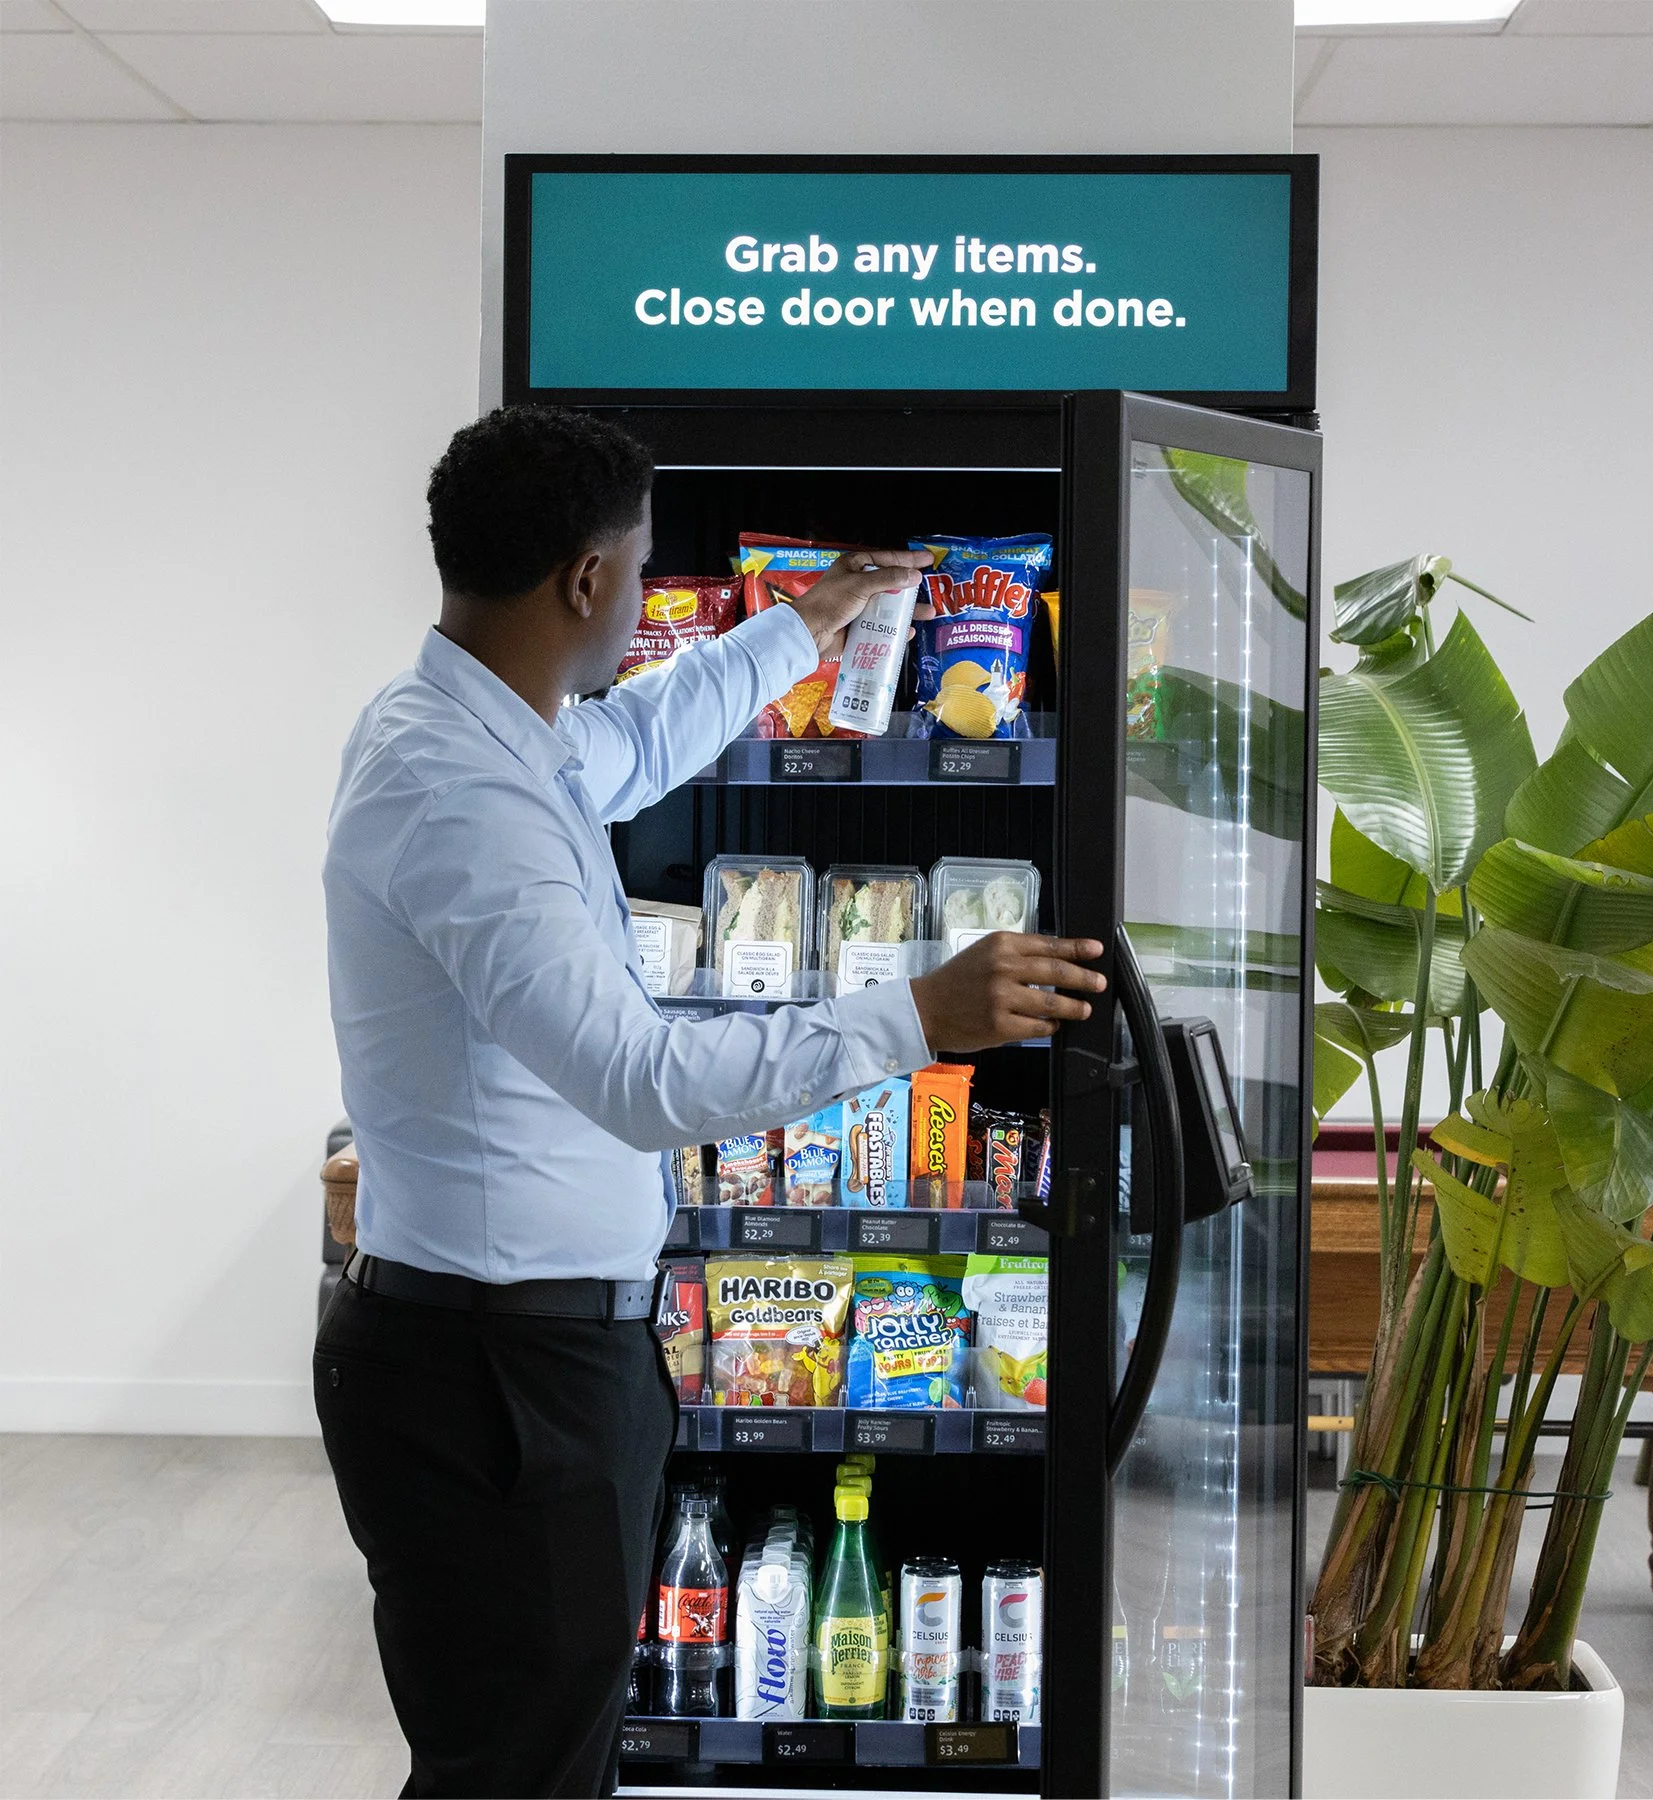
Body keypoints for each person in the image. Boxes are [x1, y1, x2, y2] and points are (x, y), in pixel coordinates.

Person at [315, 406, 1105, 1798]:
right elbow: (643, 1081)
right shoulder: (464, 798)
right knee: (520, 1768)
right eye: (635, 569)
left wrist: (806, 622)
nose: (640, 601)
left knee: (529, 1754)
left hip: (520, 1353)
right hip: (498, 1379)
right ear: (587, 581)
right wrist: (921, 1012)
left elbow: (647, 733)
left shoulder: (487, 729)